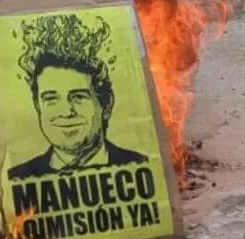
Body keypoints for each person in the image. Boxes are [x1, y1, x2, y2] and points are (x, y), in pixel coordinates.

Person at [8, 14, 147, 180]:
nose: (66, 112)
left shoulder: (142, 167)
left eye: (78, 97)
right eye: (51, 99)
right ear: (38, 106)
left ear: (106, 105)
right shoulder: (17, 180)